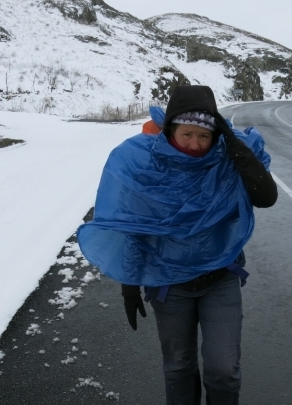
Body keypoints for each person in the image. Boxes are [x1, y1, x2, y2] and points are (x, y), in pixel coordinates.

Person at [77, 85, 277, 405]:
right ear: (171, 129)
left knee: (224, 370)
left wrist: (230, 141)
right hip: (168, 284)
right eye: (187, 134)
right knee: (178, 366)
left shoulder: (225, 161)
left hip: (220, 278)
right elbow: (133, 228)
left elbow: (266, 196)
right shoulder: (145, 164)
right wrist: (129, 286)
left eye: (204, 136)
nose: (195, 145)